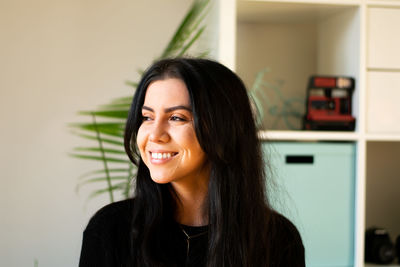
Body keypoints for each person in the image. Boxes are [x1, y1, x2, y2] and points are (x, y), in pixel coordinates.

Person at [79, 58, 305, 267]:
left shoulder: (278, 239)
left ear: (223, 129)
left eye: (176, 117)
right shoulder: (109, 230)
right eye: (147, 117)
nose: (155, 134)